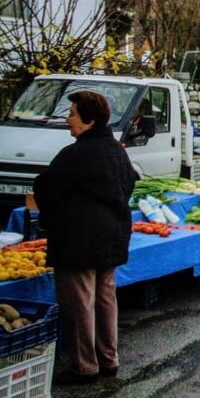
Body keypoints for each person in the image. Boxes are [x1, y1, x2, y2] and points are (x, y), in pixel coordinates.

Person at [34, 90, 138, 385]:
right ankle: (109, 359)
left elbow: (46, 187)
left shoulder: (75, 154)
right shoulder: (117, 150)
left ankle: (84, 365)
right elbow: (129, 184)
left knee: (80, 302)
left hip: (78, 239)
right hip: (113, 235)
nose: (68, 120)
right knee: (106, 298)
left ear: (89, 120)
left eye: (72, 114)